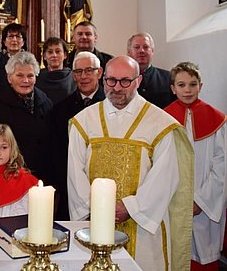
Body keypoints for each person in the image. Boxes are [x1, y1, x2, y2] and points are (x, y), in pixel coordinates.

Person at [67, 55, 193, 271]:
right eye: (111, 80)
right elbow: (75, 172)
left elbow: (165, 176)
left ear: (139, 81)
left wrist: (130, 207)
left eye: (125, 81)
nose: (117, 87)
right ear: (102, 78)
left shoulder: (160, 123)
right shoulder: (84, 120)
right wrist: (96, 207)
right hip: (95, 222)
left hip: (143, 226)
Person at [164, 62, 226, 271]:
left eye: (192, 84)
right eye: (181, 85)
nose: (187, 90)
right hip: (172, 203)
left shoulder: (218, 121)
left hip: (206, 206)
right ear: (173, 88)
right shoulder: (162, 119)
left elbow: (221, 166)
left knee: (204, 259)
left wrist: (200, 201)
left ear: (201, 86)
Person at [0, 51, 53, 185]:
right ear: (9, 78)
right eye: (19, 75)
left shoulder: (46, 102)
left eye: (30, 76)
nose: (25, 81)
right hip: (10, 176)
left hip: (43, 177)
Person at [51, 51, 105, 220]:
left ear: (100, 72)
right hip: (70, 186)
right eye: (78, 72)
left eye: (89, 70)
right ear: (73, 76)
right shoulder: (60, 110)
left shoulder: (111, 106)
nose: (84, 76)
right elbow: (56, 151)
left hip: (104, 185)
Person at [127, 32, 176, 108]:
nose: (141, 51)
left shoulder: (168, 78)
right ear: (129, 52)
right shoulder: (121, 80)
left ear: (152, 51)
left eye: (146, 47)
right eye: (136, 47)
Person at [36, 37, 76, 104]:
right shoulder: (37, 76)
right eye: (50, 52)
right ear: (44, 56)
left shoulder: (73, 77)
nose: (54, 55)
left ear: (65, 55)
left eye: (58, 51)